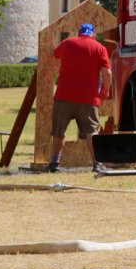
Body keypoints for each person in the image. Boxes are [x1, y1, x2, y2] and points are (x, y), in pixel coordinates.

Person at [46, 22, 112, 172]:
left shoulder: (67, 43)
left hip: (64, 96)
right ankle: (97, 163)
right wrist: (105, 89)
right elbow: (107, 73)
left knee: (58, 132)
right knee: (91, 132)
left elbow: (55, 55)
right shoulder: (99, 48)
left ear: (79, 33)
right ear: (93, 34)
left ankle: (54, 163)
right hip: (88, 99)